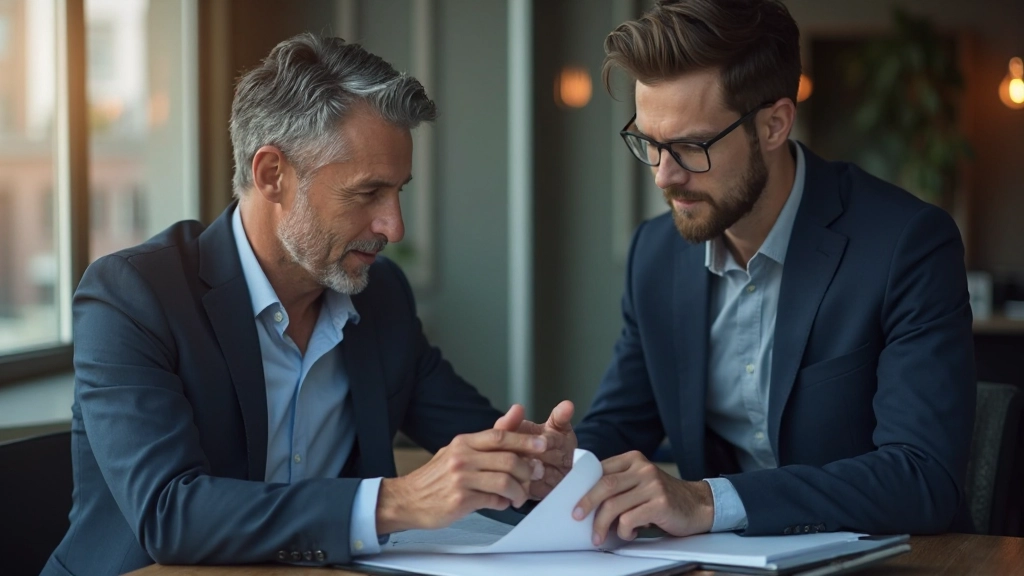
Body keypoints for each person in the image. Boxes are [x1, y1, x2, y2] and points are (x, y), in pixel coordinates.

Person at [43, 33, 574, 576]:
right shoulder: (132, 296)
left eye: (399, 192)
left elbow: (483, 446)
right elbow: (169, 514)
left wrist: (539, 466)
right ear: (272, 174)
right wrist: (398, 501)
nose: (394, 226)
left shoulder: (382, 296)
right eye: (368, 194)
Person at [566, 0, 975, 545]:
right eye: (650, 143)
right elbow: (619, 427)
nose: (663, 177)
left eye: (691, 146)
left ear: (775, 124)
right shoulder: (655, 253)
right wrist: (556, 464)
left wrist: (706, 500)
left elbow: (922, 478)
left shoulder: (907, 245)